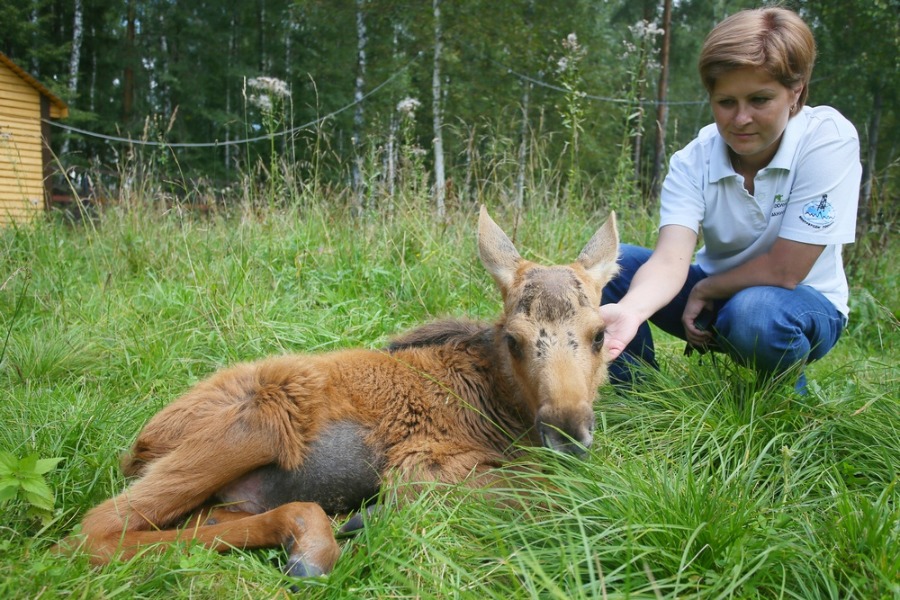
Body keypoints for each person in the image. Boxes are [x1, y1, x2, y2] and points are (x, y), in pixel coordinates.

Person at [600, 7, 862, 393]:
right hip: (718, 299)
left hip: (799, 303)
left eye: (759, 100)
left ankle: (789, 401)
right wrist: (631, 311)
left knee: (755, 311)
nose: (740, 119)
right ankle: (639, 395)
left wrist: (706, 290)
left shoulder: (828, 140)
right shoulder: (693, 160)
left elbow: (785, 271)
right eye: (726, 102)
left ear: (796, 92)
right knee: (614, 265)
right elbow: (670, 260)